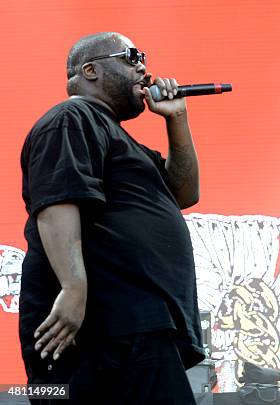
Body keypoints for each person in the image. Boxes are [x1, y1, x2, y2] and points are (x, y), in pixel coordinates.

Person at [20, 32, 204, 404]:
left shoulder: (122, 141)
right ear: (90, 70)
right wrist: (73, 288)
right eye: (131, 56)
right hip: (104, 329)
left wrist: (177, 119)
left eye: (144, 58)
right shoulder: (72, 118)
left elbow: (185, 193)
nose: (144, 68)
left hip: (136, 330)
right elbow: (57, 203)